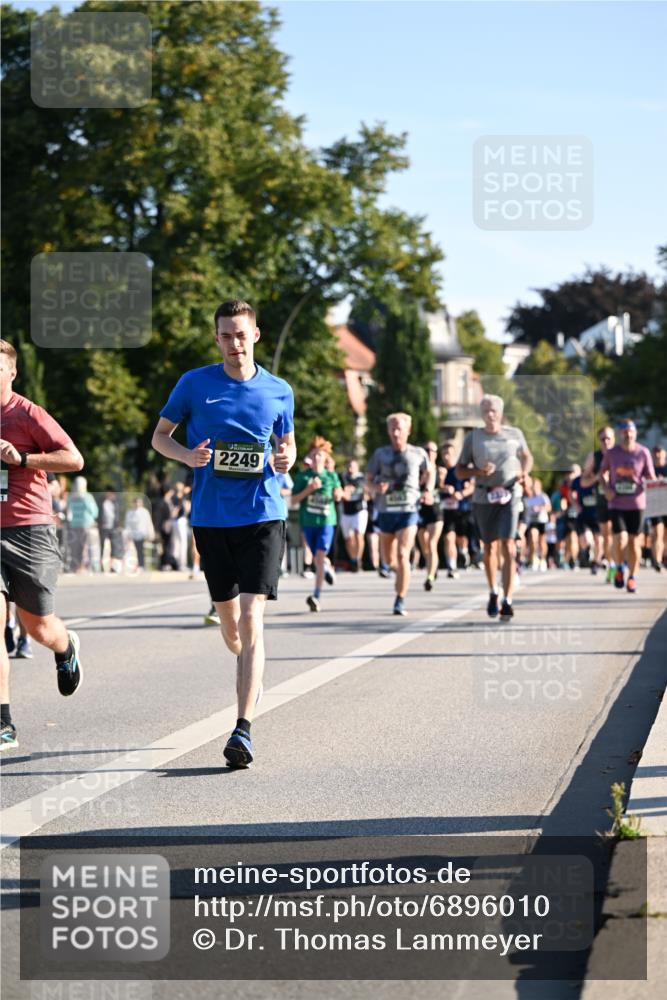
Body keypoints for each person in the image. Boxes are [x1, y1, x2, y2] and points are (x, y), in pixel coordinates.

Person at [152, 299, 295, 768]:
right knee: (231, 629)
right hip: (212, 518)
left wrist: (285, 459)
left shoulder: (279, 390)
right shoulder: (194, 384)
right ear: (217, 338)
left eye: (241, 334)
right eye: (226, 335)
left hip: (263, 515)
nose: (234, 343)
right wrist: (186, 456)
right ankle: (249, 668)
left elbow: (287, 445)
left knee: (252, 620)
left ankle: (243, 729)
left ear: (256, 335)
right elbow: (160, 436)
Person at [0, 339, 85, 751]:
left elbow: (74, 459)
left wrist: (22, 459)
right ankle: (3, 722)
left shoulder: (27, 413)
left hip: (28, 529)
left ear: (12, 373)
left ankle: (65, 647)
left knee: (38, 627)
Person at [456, 394, 532, 620]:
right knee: (489, 547)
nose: (490, 415)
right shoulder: (473, 438)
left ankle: (508, 600)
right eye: (486, 411)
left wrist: (524, 472)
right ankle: (493, 591)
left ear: (500, 413)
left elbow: (527, 457)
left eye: (493, 411)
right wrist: (478, 472)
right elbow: (460, 471)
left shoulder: (514, 434)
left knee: (508, 545)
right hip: (483, 497)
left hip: (510, 494)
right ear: (481, 414)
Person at [366, 412, 428, 616]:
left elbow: (430, 472)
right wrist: (376, 487)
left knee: (403, 553)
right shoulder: (380, 454)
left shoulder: (418, 453)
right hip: (386, 511)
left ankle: (400, 599)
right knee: (389, 559)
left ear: (408, 430)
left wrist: (427, 490)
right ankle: (401, 572)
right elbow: (367, 480)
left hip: (408, 510)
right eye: (392, 429)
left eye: (399, 429)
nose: (396, 433)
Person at [600, 419, 656, 593]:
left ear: (635, 433)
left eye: (631, 432)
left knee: (634, 543)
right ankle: (619, 568)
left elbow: (651, 476)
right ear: (620, 434)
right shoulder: (612, 453)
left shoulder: (643, 452)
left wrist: (656, 484)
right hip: (617, 503)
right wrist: (606, 489)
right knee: (620, 539)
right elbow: (602, 473)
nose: (628, 435)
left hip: (637, 503)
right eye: (625, 432)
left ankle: (632, 577)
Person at [291, 438, 343, 611]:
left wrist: (338, 494)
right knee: (318, 559)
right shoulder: (303, 477)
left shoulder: (331, 476)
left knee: (319, 558)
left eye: (319, 455)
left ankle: (316, 596)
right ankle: (327, 567)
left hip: (327, 522)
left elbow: (339, 493)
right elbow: (293, 500)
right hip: (308, 523)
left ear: (326, 457)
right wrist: (309, 489)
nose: (316, 458)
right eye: (313, 455)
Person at [581, 427, 615, 582]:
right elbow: (583, 482)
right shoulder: (594, 457)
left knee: (619, 535)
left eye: (609, 438)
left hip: (620, 500)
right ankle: (611, 565)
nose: (606, 441)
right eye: (603, 439)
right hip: (602, 500)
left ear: (614, 439)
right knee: (606, 536)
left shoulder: (620, 454)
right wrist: (597, 478)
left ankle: (618, 564)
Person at [439, 441, 474, 580]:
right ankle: (452, 566)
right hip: (447, 509)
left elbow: (472, 486)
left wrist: (462, 494)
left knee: (461, 538)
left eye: (448, 453)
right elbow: (435, 487)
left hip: (462, 509)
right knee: (449, 537)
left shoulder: (461, 470)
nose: (446, 457)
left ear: (454, 455)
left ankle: (463, 551)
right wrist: (443, 486)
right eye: (444, 454)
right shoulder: (441, 471)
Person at [417, 442, 444, 589]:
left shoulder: (440, 471)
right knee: (424, 546)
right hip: (421, 510)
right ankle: (433, 566)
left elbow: (442, 486)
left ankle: (430, 577)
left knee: (432, 543)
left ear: (436, 453)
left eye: (432, 450)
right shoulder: (417, 470)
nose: (429, 453)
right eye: (426, 450)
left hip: (435, 510)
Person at [340, 458, 368, 573]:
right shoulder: (343, 477)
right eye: (348, 466)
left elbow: (362, 487)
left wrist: (352, 488)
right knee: (348, 539)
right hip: (346, 511)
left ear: (357, 467)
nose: (350, 469)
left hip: (359, 510)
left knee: (358, 534)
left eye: (352, 466)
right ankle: (353, 559)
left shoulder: (362, 478)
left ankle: (358, 559)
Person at [67, 476, 99, 572]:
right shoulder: (87, 497)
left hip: (74, 524)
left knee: (75, 547)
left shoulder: (70, 497)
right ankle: (89, 567)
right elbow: (94, 512)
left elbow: (68, 511)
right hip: (87, 524)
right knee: (88, 546)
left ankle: (75, 567)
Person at [523, 476, 551, 571]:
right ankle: (533, 559)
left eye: (536, 486)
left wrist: (540, 508)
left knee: (542, 541)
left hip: (542, 521)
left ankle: (543, 559)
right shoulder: (528, 497)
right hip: (532, 521)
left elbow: (549, 507)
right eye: (533, 486)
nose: (534, 488)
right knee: (532, 537)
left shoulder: (543, 496)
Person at [124, 496, 155, 571]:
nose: (137, 504)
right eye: (136, 502)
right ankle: (132, 566)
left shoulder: (145, 512)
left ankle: (141, 565)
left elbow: (149, 523)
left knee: (140, 550)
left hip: (142, 534)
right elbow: (127, 524)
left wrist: (151, 533)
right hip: (132, 534)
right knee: (132, 551)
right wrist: (128, 534)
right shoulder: (130, 513)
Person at [648, 445, 666, 572]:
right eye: (655, 453)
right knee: (658, 533)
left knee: (665, 536)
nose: (658, 455)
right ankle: (657, 561)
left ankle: (664, 557)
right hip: (655, 507)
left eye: (660, 452)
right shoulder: (650, 469)